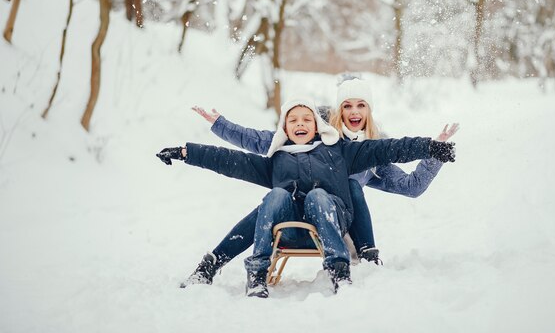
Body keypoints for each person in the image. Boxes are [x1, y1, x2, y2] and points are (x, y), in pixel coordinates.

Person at [157, 98, 455, 297]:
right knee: (272, 198)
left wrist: (430, 148)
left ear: (317, 125)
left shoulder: (340, 152)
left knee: (318, 196)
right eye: (293, 120)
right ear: (285, 129)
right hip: (288, 230)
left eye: (306, 119)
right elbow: (230, 161)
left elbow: (388, 149)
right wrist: (187, 152)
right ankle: (245, 273)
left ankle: (339, 271)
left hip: (330, 224)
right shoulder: (277, 159)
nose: (300, 124)